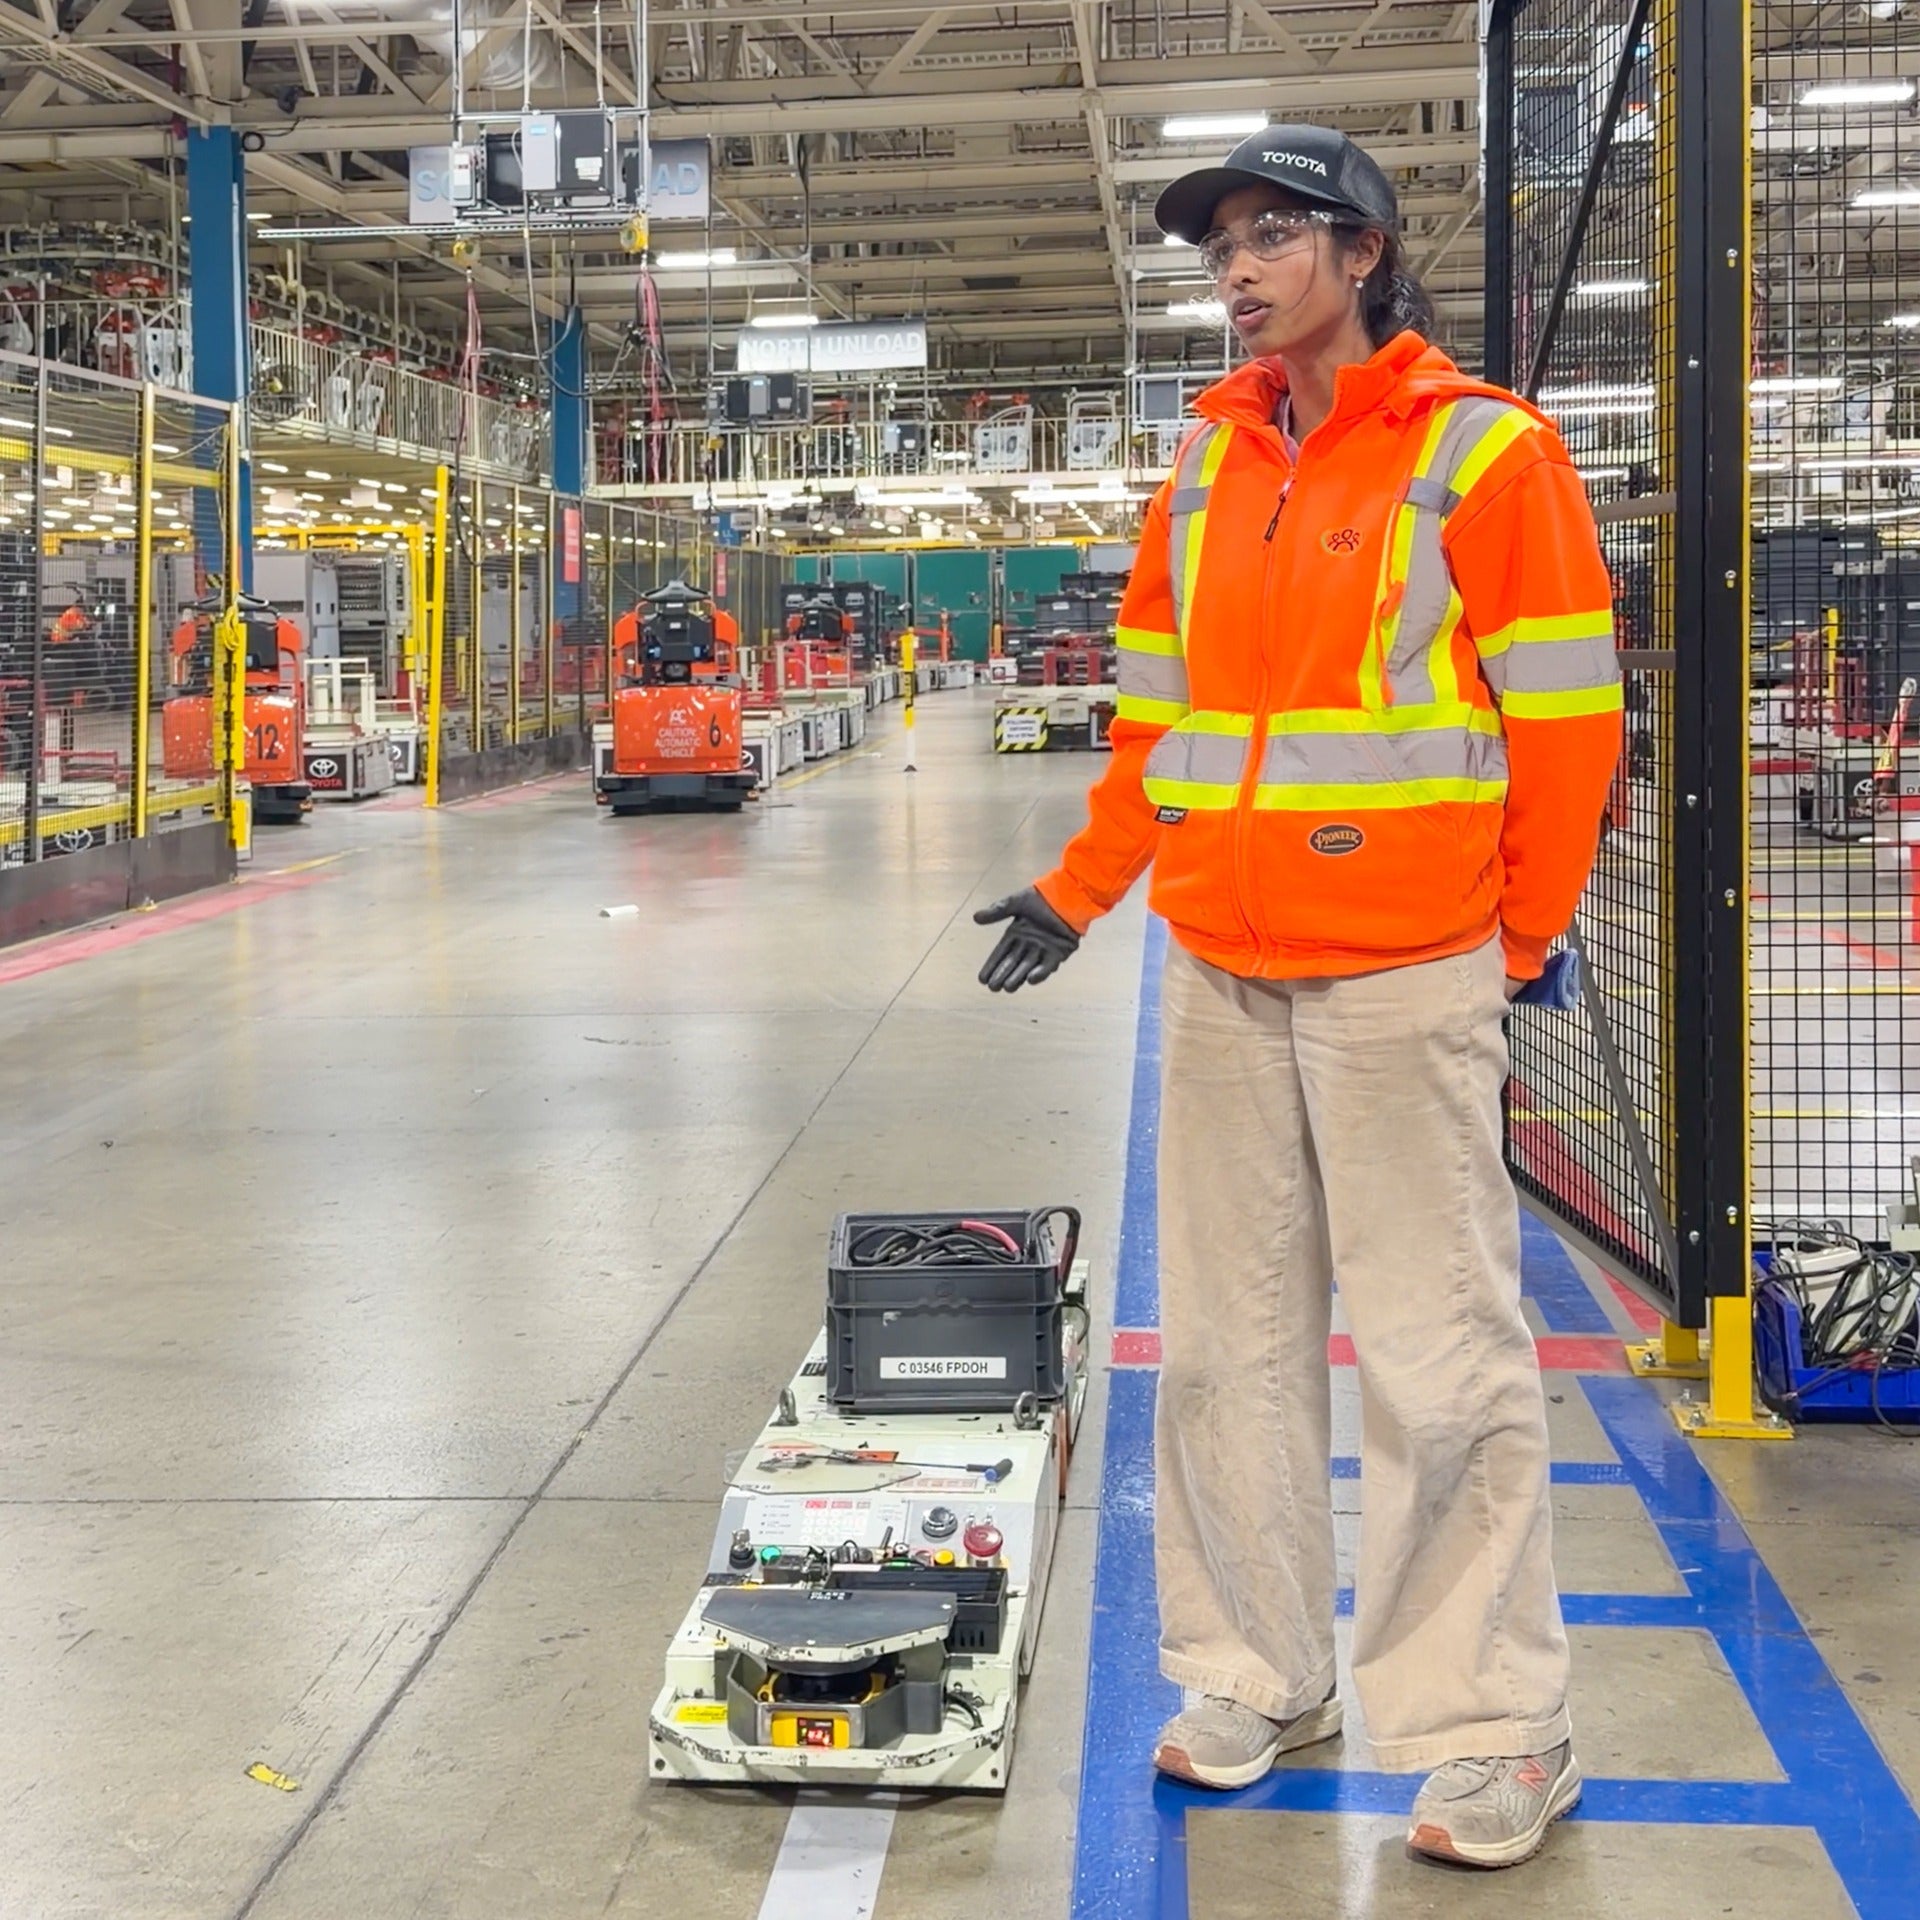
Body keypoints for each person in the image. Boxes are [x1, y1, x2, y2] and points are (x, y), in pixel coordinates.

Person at [975, 124, 1621, 1870]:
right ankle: (1259, 1669)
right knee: (1229, 1349)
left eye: (1271, 237)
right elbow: (1158, 729)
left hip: (1411, 968)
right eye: (1220, 248)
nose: (1238, 271)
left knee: (1440, 1358)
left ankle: (1499, 1726)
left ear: (1363, 252)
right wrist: (1082, 886)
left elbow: (1569, 724)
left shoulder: (1486, 455)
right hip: (1224, 968)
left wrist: (1519, 934)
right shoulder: (1197, 477)